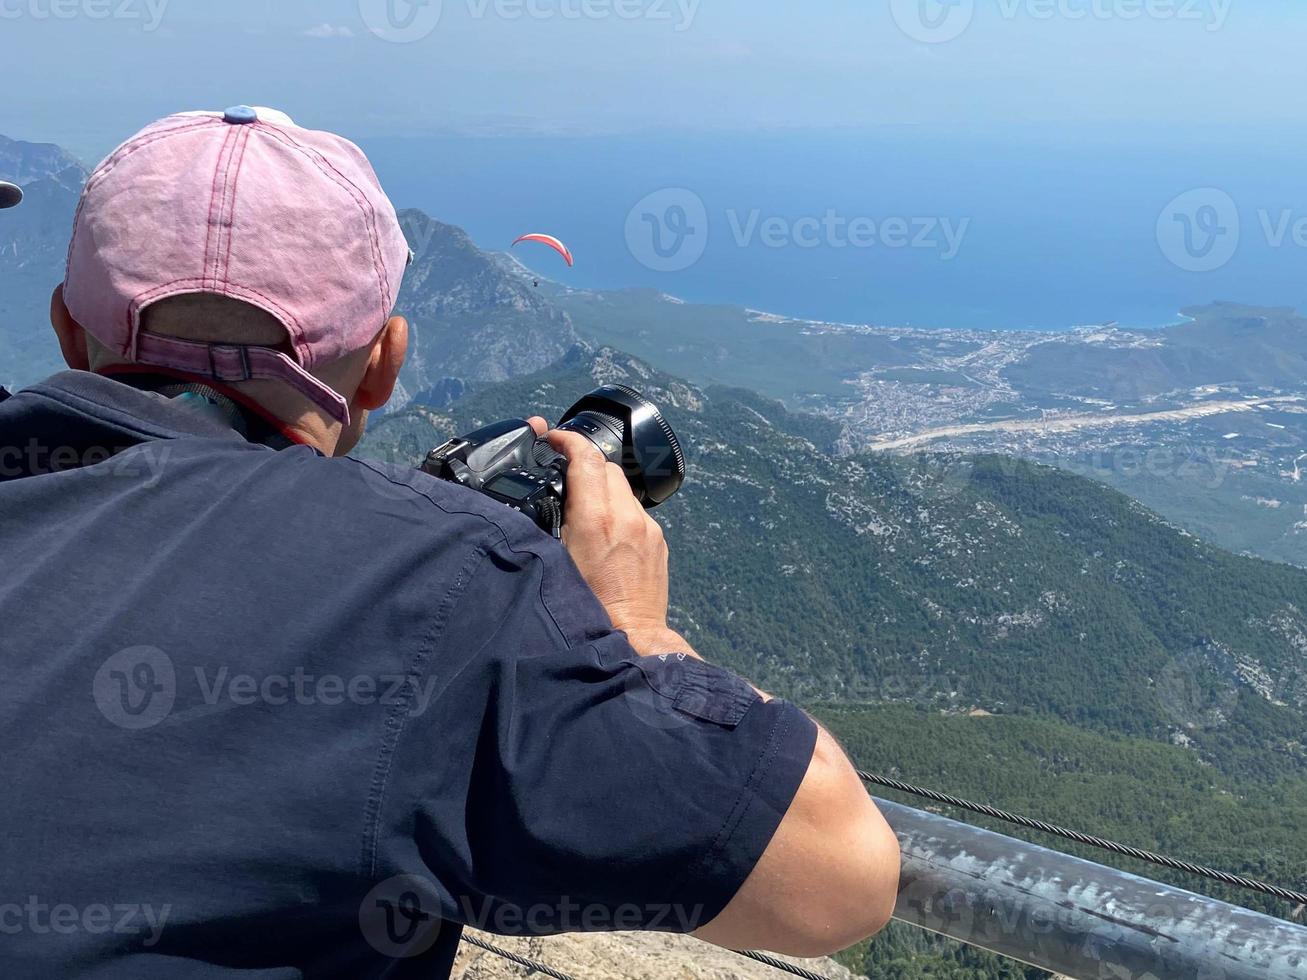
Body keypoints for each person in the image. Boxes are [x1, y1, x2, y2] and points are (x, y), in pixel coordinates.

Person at [0, 107, 900, 979]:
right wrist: (631, 628)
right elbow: (838, 882)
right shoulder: (436, 587)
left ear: (66, 329)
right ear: (385, 366)